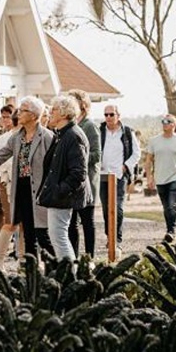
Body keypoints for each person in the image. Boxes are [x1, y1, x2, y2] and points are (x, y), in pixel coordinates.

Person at [0, 96, 55, 263]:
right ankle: (31, 269)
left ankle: (55, 268)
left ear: (34, 115)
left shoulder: (47, 136)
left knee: (42, 233)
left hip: (40, 190)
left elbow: (54, 165)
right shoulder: (17, 137)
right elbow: (0, 156)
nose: (19, 113)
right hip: (22, 188)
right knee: (28, 233)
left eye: (23, 110)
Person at [36, 95, 89, 261]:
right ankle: (68, 273)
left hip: (63, 197)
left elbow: (79, 173)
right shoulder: (61, 134)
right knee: (57, 236)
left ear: (65, 113)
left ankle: (70, 276)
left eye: (54, 109)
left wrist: (59, 191)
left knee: (59, 236)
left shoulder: (73, 136)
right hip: (59, 195)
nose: (50, 112)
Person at [98, 104, 140, 253]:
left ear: (118, 116)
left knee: (118, 208)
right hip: (103, 176)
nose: (108, 117)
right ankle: (110, 237)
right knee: (105, 209)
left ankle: (117, 240)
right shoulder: (100, 131)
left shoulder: (127, 132)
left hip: (119, 176)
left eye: (111, 114)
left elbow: (136, 153)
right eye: (106, 115)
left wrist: (126, 166)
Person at [66, 89, 100, 256]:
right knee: (71, 223)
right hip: (72, 181)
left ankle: (90, 256)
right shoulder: (70, 125)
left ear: (82, 105)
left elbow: (97, 154)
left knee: (87, 221)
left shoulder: (90, 126)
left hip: (87, 181)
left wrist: (77, 158)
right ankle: (74, 258)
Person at [146, 114, 176, 235]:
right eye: (163, 121)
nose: (164, 123)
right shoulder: (154, 141)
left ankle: (171, 231)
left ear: (174, 125)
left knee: (172, 205)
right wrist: (149, 178)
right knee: (166, 207)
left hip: (175, 177)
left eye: (168, 121)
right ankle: (169, 229)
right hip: (160, 178)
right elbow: (148, 161)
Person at [0, 105, 16, 257]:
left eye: (8, 116)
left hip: (9, 175)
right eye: (3, 117)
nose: (5, 120)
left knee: (10, 213)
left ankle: (11, 246)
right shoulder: (1, 132)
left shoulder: (15, 134)